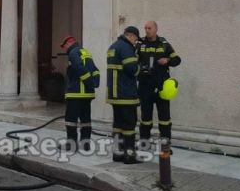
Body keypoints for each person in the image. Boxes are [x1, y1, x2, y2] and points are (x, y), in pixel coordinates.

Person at [137, 21, 181, 141]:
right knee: (145, 118)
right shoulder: (139, 43)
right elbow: (132, 62)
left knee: (165, 118)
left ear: (156, 29)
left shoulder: (164, 43)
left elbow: (177, 60)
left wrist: (167, 60)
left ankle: (165, 145)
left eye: (149, 28)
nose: (147, 30)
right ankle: (144, 143)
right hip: (145, 86)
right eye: (145, 28)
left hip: (162, 86)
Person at [106, 26, 141, 164]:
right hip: (125, 93)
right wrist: (141, 69)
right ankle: (129, 155)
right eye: (135, 39)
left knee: (117, 125)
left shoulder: (113, 46)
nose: (135, 42)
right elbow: (131, 68)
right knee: (129, 126)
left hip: (114, 94)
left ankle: (117, 153)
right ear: (131, 35)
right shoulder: (126, 47)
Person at [60, 36, 100, 152]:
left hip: (76, 93)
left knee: (71, 120)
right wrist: (95, 83)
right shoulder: (86, 52)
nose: (65, 49)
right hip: (87, 95)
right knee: (85, 120)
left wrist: (89, 82)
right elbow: (95, 70)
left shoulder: (73, 52)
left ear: (70, 42)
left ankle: (71, 145)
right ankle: (85, 144)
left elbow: (79, 68)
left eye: (65, 45)